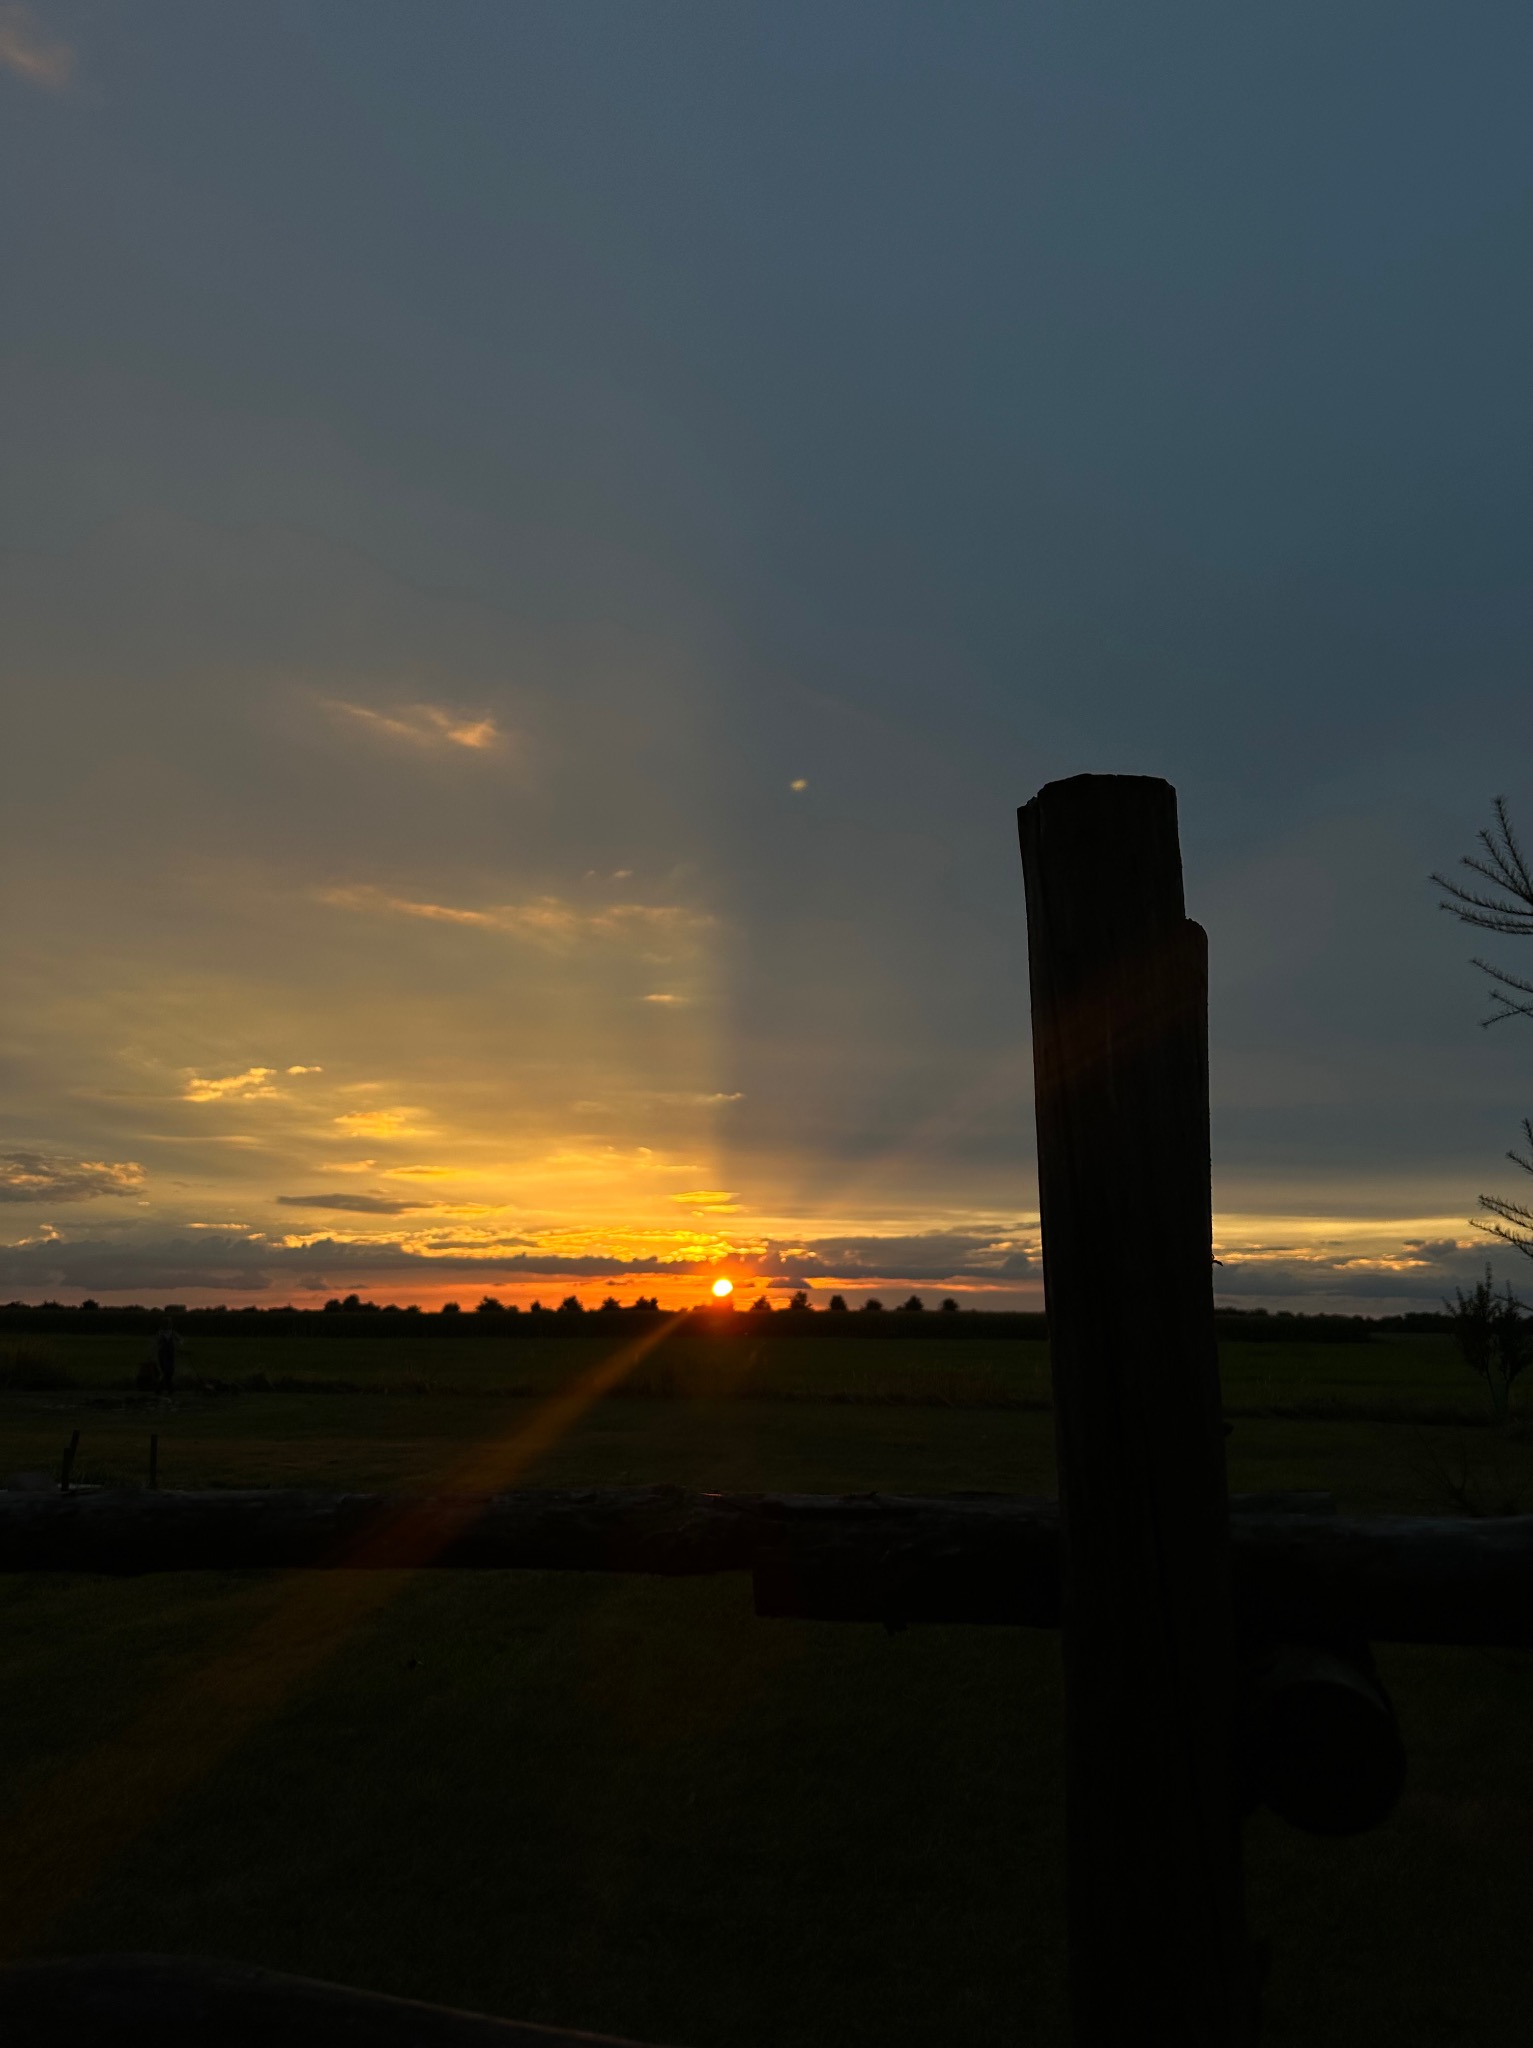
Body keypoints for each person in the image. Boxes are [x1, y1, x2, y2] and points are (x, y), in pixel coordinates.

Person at [155, 1322, 179, 1395]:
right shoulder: (161, 1333)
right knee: (166, 1372)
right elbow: (157, 1342)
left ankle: (162, 1389)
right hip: (163, 1355)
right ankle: (169, 1389)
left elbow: (180, 1340)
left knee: (170, 1372)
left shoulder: (173, 1333)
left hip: (170, 1354)